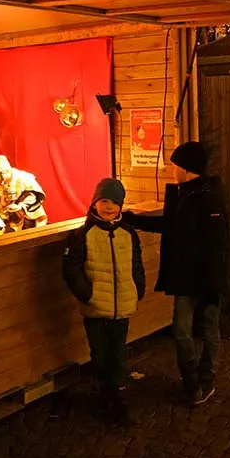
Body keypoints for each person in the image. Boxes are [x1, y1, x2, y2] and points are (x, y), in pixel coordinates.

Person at [127, 141, 229, 407]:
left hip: (204, 279)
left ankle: (206, 377)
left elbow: (217, 245)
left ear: (187, 168)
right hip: (183, 277)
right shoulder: (181, 194)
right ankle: (191, 380)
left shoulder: (208, 198)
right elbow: (169, 227)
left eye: (175, 165)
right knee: (182, 331)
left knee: (208, 329)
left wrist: (212, 285)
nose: (172, 169)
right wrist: (135, 220)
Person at [62, 178, 146, 425]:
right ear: (95, 203)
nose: (109, 207)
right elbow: (71, 267)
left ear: (121, 206)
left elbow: (136, 264)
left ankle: (117, 392)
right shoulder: (83, 235)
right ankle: (104, 391)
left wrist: (137, 289)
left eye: (114, 202)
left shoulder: (128, 234)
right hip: (96, 306)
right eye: (104, 201)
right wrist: (87, 294)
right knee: (99, 352)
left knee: (118, 351)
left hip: (122, 306)